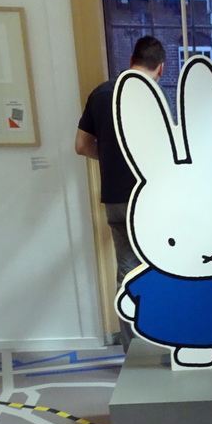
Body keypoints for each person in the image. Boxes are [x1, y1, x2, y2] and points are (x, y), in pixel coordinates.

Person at [75, 35, 166, 353]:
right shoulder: (154, 97)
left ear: (131, 61)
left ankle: (133, 351)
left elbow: (81, 146)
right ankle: (163, 340)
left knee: (126, 271)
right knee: (160, 268)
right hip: (148, 199)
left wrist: (111, 158)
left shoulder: (100, 93)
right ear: (160, 68)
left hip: (114, 200)